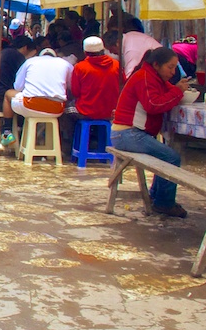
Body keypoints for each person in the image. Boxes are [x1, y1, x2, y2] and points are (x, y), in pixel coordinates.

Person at [111, 47, 192, 217]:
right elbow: (153, 105)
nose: (173, 72)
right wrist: (178, 91)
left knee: (165, 153)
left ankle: (158, 197)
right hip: (127, 133)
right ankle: (164, 203)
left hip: (130, 134)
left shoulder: (155, 78)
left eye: (174, 68)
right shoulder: (145, 78)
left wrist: (177, 88)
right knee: (171, 157)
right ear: (156, 65)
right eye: (170, 67)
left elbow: (168, 93)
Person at [3, 49, 73, 136]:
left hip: (30, 105)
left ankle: (6, 132)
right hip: (56, 109)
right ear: (55, 56)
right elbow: (72, 87)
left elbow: (18, 87)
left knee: (8, 94)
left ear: (40, 56)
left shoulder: (30, 62)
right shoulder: (65, 63)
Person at [68, 36, 121, 150]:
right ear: (103, 50)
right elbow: (123, 86)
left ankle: (70, 149)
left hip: (86, 110)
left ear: (85, 52)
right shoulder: (117, 65)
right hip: (111, 111)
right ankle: (100, 145)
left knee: (65, 112)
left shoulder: (80, 67)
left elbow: (76, 92)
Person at [0, 36, 38, 143]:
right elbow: (20, 84)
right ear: (26, 48)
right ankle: (8, 131)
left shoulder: (5, 52)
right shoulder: (18, 57)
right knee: (25, 103)